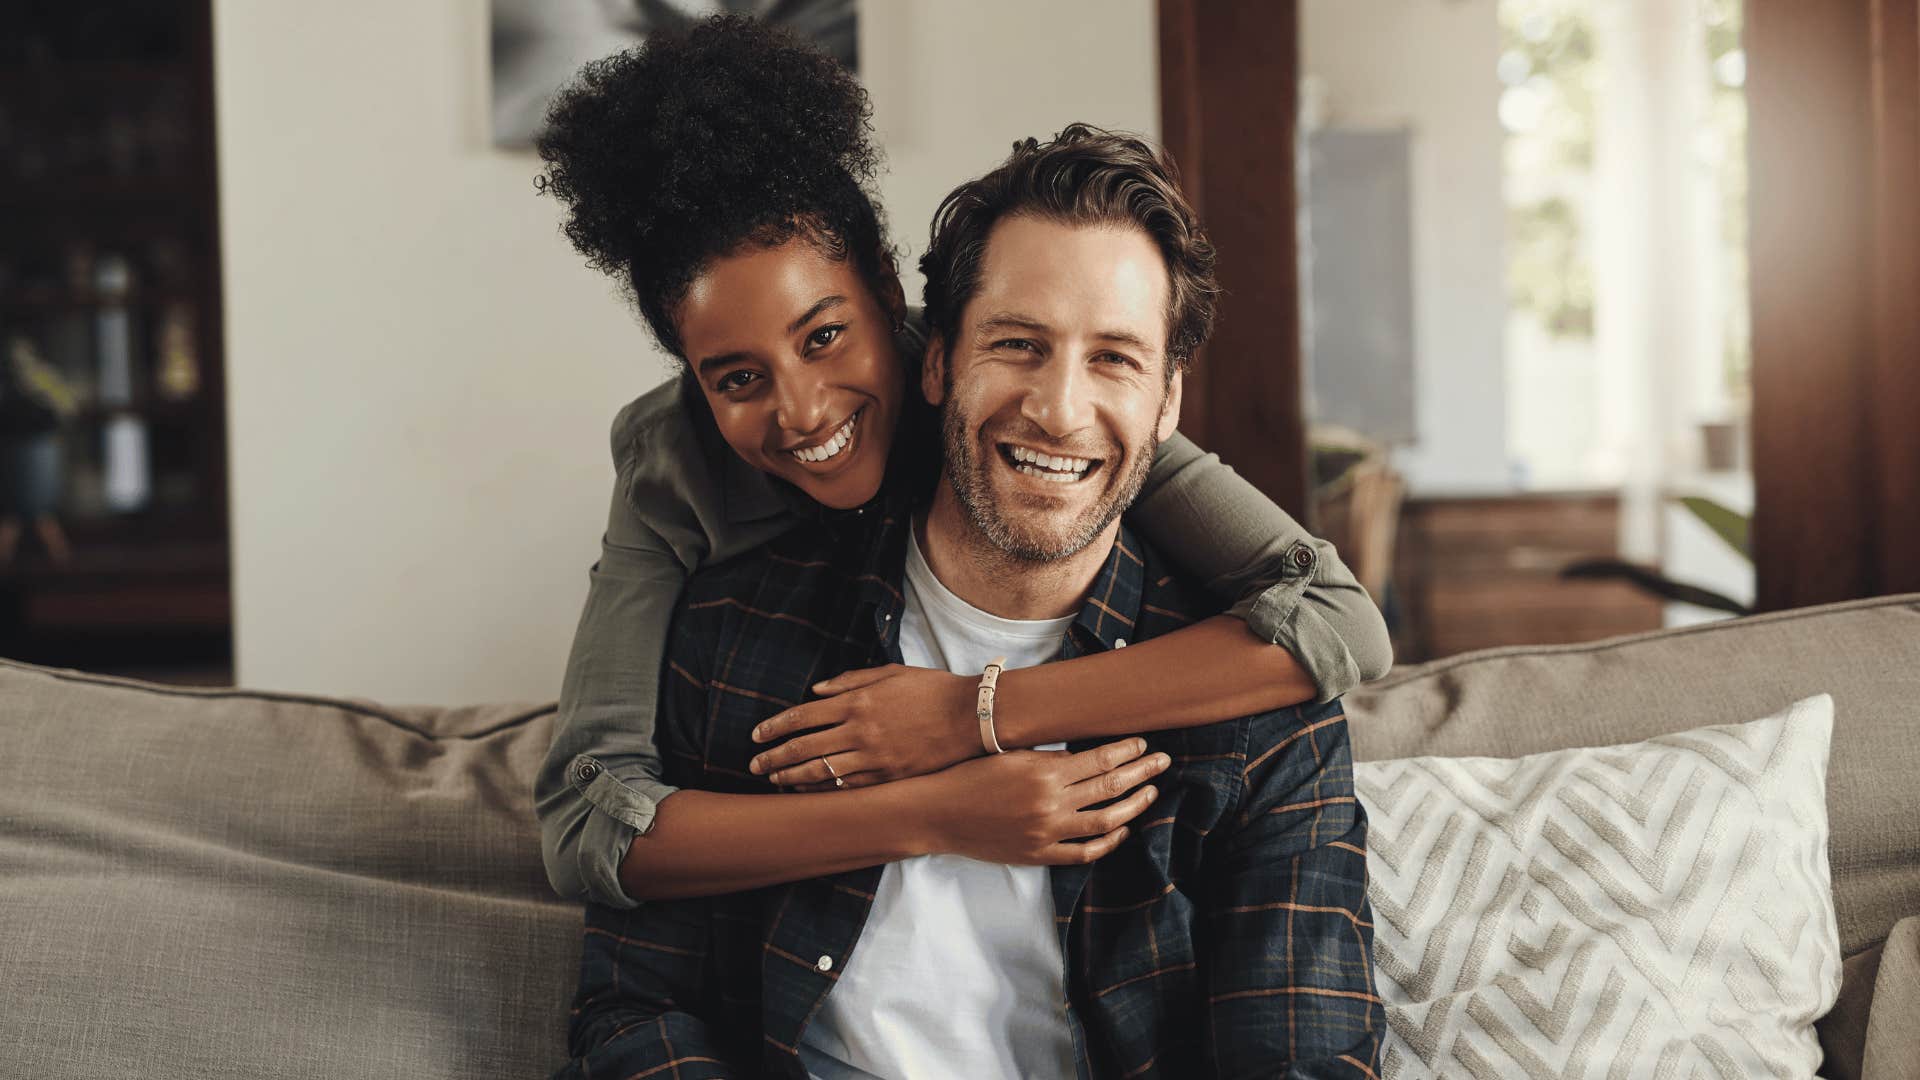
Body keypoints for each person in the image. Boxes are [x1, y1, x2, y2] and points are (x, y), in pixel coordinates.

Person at [557, 124, 1382, 1078]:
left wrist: (973, 714)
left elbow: (1301, 1060)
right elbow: (632, 1002)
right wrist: (934, 810)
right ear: (939, 362)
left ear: (1168, 403)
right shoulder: (733, 638)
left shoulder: (1260, 712)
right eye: (1018, 344)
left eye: (1114, 358)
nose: (1059, 409)